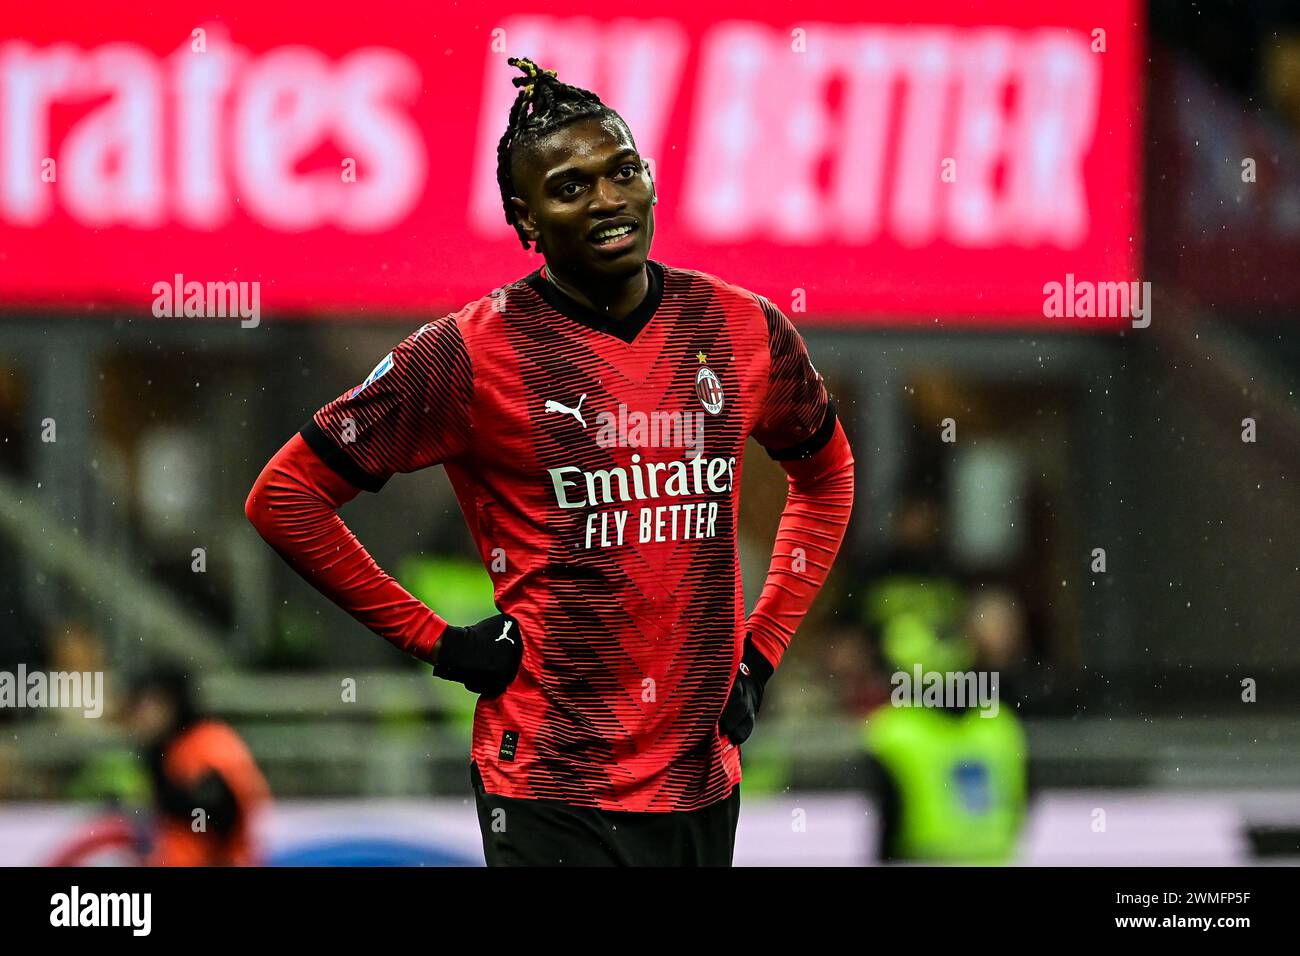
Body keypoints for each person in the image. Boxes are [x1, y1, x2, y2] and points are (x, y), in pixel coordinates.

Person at [245, 57, 855, 866]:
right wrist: (438, 642)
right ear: (525, 221)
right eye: (571, 188)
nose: (608, 199)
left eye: (623, 171)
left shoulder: (744, 328)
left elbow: (826, 476)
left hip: (700, 779)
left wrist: (762, 648)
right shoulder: (466, 355)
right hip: (547, 786)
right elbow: (286, 496)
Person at [125, 664, 270, 866]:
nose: (140, 717)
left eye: (147, 706)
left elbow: (215, 813)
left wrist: (175, 802)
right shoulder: (166, 748)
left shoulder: (205, 743)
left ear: (171, 704)